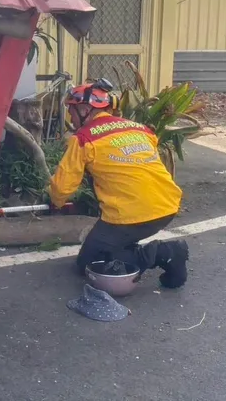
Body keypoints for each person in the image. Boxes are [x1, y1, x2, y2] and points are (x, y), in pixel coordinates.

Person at [46, 79, 189, 288]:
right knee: (111, 242)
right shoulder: (141, 129)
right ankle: (133, 247)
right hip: (167, 204)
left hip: (129, 215)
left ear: (86, 109)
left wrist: (55, 202)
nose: (70, 116)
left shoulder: (84, 139)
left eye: (72, 110)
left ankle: (164, 253)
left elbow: (63, 186)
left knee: (89, 264)